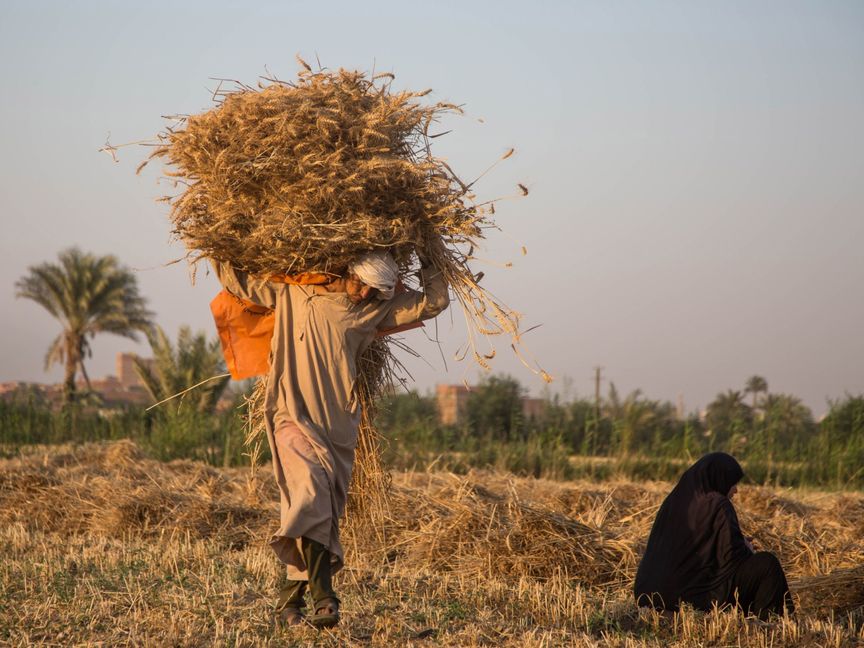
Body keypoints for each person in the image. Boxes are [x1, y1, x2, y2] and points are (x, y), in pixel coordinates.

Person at [213, 250, 449, 628]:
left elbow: (434, 301)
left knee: (321, 511)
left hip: (338, 425)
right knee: (309, 495)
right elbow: (238, 281)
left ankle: (289, 604)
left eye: (375, 292)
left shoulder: (374, 311)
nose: (364, 295)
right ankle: (325, 596)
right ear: (349, 272)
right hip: (291, 413)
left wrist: (428, 252)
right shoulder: (295, 294)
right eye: (362, 285)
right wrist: (220, 242)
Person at [634, 452, 794, 620]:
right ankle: (770, 624)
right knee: (767, 564)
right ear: (720, 479)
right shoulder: (718, 504)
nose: (736, 490)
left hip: (649, 595)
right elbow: (731, 559)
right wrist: (746, 548)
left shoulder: (673, 502)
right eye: (733, 483)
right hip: (690, 598)